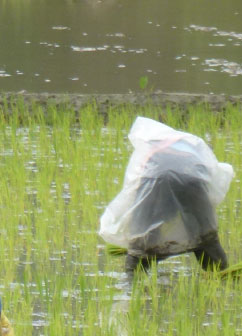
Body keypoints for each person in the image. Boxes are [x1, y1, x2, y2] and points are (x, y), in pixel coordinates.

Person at [99, 117, 232, 274]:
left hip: (154, 181)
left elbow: (134, 187)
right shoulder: (195, 147)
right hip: (192, 180)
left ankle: (130, 286)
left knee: (142, 242)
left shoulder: (149, 150)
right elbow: (212, 184)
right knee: (206, 238)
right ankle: (222, 276)